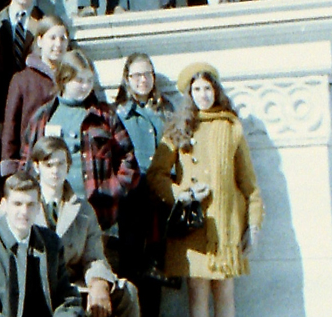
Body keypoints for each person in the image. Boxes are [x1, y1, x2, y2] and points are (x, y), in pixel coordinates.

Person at [147, 63, 263, 317]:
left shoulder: (231, 127)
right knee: (197, 296)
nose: (203, 94)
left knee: (225, 295)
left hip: (225, 229)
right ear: (189, 94)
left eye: (207, 88)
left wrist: (253, 225)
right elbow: (156, 174)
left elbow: (248, 184)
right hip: (194, 225)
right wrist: (181, 193)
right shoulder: (178, 128)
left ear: (216, 90)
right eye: (197, 89)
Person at [22, 48, 139, 230]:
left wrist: (114, 190)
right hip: (51, 212)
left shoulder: (105, 117)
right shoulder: (43, 117)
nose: (85, 86)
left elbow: (128, 159)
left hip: (96, 213)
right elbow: (28, 161)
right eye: (79, 80)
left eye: (89, 81)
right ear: (64, 79)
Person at [26, 137, 140, 317]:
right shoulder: (21, 204)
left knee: (127, 292)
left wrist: (98, 283)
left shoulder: (83, 210)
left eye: (61, 164)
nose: (55, 171)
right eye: (49, 165)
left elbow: (94, 256)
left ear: (68, 166)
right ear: (36, 166)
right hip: (32, 286)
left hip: (72, 284)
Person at [0, 171, 83, 317]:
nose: (24, 212)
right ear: (4, 204)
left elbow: (66, 298)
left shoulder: (50, 243)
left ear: (38, 206)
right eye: (17, 204)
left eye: (30, 204)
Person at [113, 53, 176, 316]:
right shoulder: (118, 112)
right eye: (136, 75)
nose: (142, 80)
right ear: (127, 79)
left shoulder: (165, 109)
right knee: (132, 268)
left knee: (158, 273)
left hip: (161, 198)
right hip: (132, 200)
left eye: (147, 74)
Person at [0, 16, 69, 176]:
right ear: (40, 41)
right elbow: (11, 125)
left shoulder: (73, 79)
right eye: (52, 38)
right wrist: (11, 167)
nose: (58, 44)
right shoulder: (23, 79)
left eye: (63, 38)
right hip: (32, 161)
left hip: (63, 161)